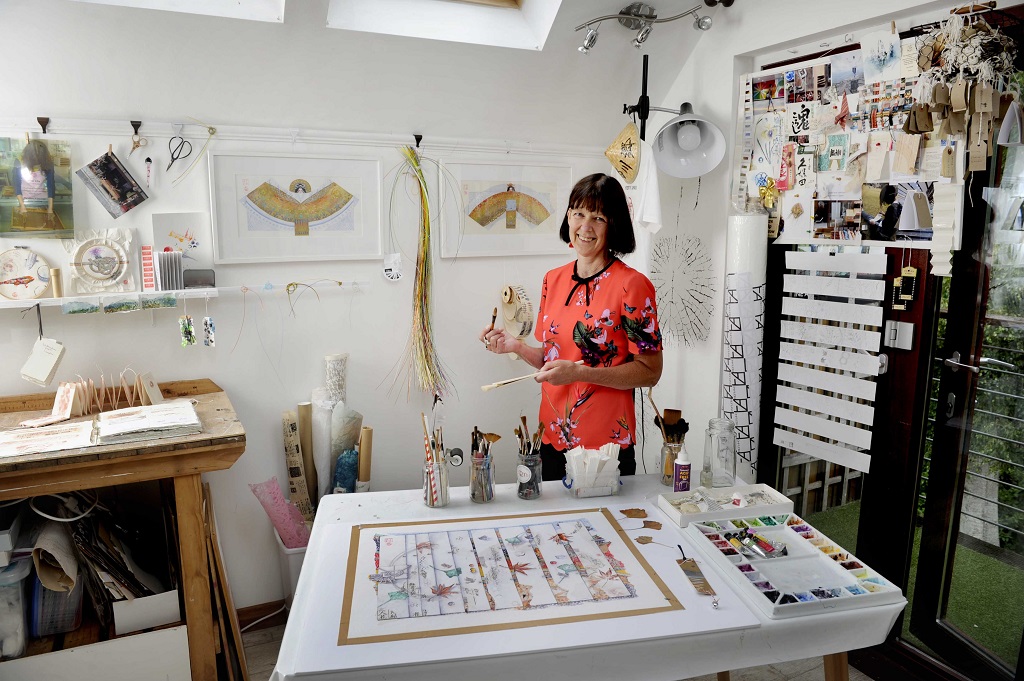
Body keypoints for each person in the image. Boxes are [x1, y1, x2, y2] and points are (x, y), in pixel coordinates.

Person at [480, 173, 663, 481]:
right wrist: (517, 346)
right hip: (549, 437)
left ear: (614, 224)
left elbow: (650, 372)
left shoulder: (632, 285)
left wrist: (581, 374)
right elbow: (554, 360)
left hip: (604, 449)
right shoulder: (553, 279)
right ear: (568, 217)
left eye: (598, 218)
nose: (585, 227)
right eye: (578, 214)